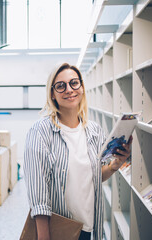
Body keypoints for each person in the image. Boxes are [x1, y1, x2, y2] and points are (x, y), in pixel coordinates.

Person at [23, 63, 132, 240]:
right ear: (52, 93)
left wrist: (114, 166)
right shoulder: (40, 132)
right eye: (61, 85)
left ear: (81, 87)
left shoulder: (94, 131)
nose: (69, 90)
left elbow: (93, 176)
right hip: (58, 230)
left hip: (89, 227)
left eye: (74, 83)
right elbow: (38, 196)